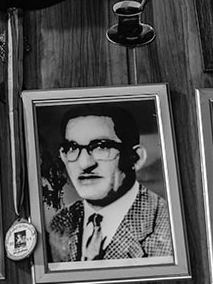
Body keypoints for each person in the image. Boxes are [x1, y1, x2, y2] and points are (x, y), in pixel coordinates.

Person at [47, 104, 173, 262]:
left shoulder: (168, 226)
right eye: (72, 148)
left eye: (102, 147)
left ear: (135, 158)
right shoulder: (60, 223)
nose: (85, 164)